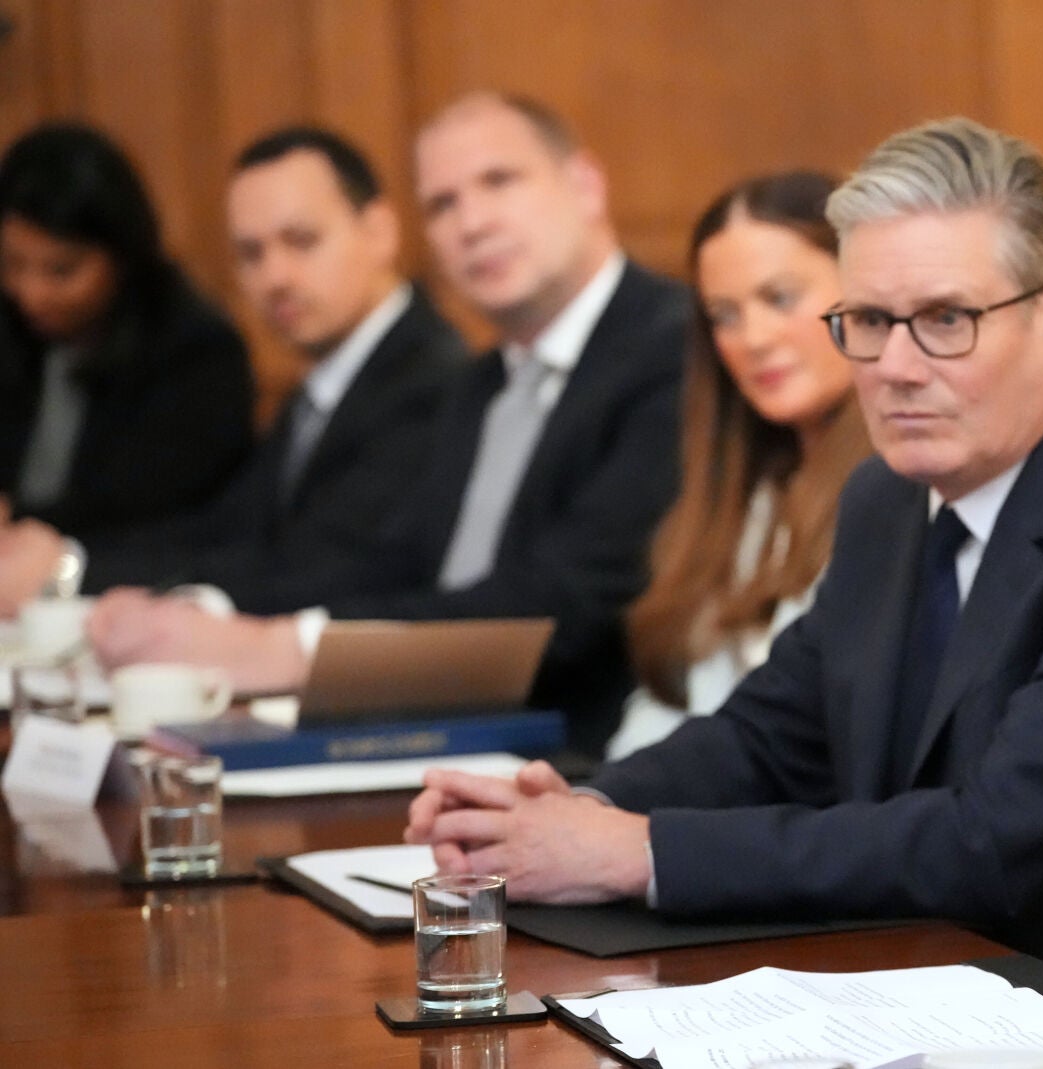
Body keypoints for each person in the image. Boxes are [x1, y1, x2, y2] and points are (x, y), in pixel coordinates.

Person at [403, 116, 1043, 990]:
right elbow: (772, 735)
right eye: (867, 322)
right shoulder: (887, 497)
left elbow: (988, 844)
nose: (896, 368)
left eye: (946, 320)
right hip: (948, 980)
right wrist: (560, 809)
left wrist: (634, 849)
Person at [86, 92, 690, 754]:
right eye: (442, 204)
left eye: (499, 181)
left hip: (586, 752)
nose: (472, 223)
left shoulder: (674, 349)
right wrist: (211, 620)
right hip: (440, 729)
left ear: (586, 186)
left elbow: (569, 598)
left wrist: (288, 648)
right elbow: (388, 563)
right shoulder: (483, 381)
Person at [0, 125, 468, 610]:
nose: (274, 277)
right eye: (251, 253)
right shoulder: (327, 382)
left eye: (302, 241)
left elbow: (313, 568)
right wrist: (69, 555)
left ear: (379, 232)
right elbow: (229, 527)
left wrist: (69, 570)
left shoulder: (429, 382)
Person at [609, 170, 869, 758]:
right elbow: (671, 701)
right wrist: (592, 799)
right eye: (724, 315)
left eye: (780, 299)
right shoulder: (739, 496)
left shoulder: (909, 490)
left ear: (866, 297)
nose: (752, 338)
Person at [0, 122, 253, 544]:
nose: (32, 294)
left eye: (62, 271)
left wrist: (19, 524)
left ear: (122, 257)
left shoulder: (196, 352)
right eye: (12, 264)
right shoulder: (11, 328)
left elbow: (150, 514)